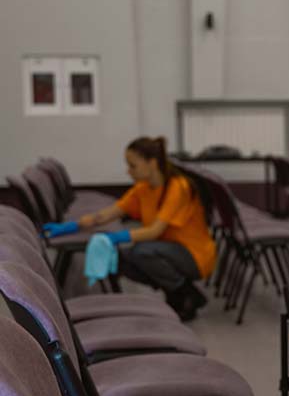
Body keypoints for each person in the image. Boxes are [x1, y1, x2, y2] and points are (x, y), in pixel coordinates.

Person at [46, 137, 216, 321]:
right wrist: (70, 226)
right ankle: (180, 292)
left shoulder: (178, 187)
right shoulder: (142, 189)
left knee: (142, 252)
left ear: (152, 163)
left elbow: (154, 231)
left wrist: (116, 237)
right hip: (166, 249)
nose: (128, 171)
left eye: (133, 166)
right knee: (121, 259)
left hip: (194, 255)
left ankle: (184, 293)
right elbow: (106, 215)